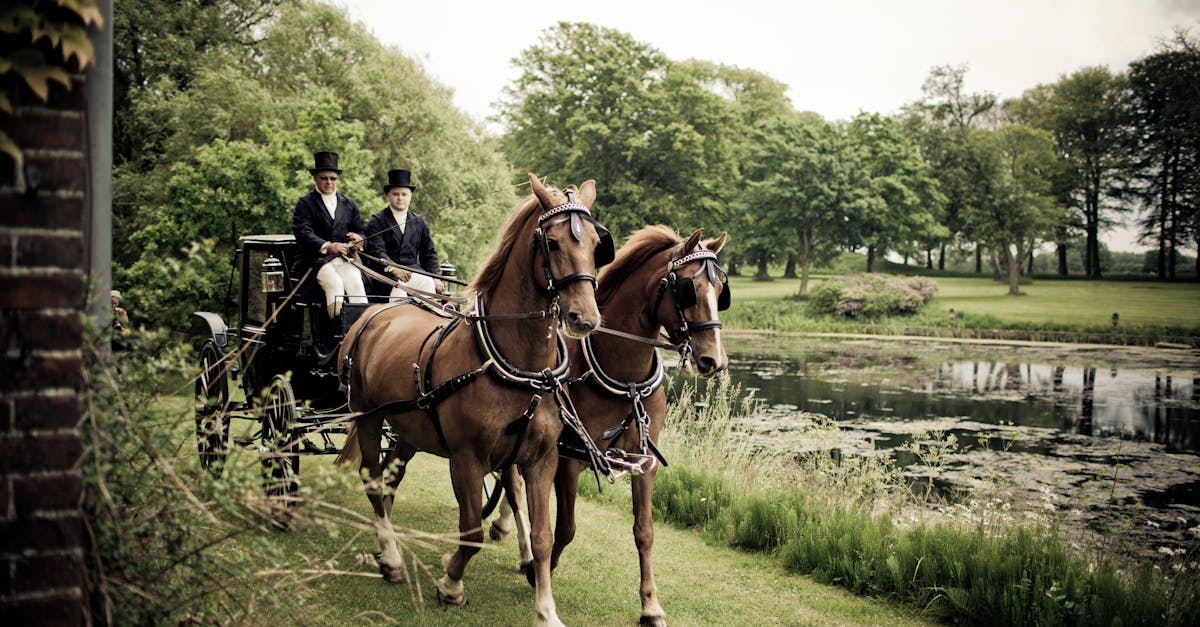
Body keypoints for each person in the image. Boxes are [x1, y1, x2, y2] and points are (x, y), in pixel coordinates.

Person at [291, 151, 368, 319]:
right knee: (335, 283)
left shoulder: (348, 204)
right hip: (314, 262)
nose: (328, 182)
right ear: (315, 178)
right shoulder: (305, 203)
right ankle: (335, 333)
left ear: (337, 179)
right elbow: (303, 232)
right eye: (323, 178)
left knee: (356, 281)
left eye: (332, 178)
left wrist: (359, 239)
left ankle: (359, 330)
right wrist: (327, 246)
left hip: (343, 259)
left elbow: (361, 229)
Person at [365, 169, 443, 298]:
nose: (400, 198)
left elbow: (429, 253)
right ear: (388, 195)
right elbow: (377, 251)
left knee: (428, 282)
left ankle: (428, 315)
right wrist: (393, 268)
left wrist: (435, 276)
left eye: (404, 194)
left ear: (410, 196)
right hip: (385, 275)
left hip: (412, 272)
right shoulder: (377, 220)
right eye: (395, 194)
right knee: (400, 287)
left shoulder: (419, 221)